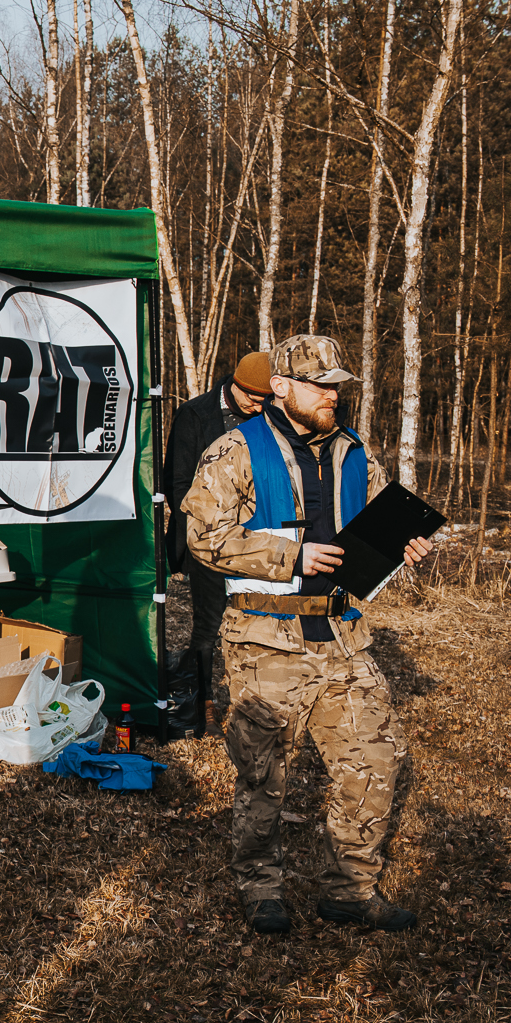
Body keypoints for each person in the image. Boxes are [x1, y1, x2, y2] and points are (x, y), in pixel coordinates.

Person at [180, 334, 436, 936]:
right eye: (320, 386)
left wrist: (405, 545)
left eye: (337, 386)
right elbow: (202, 540)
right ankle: (260, 887)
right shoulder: (233, 452)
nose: (332, 397)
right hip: (265, 639)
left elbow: (376, 521)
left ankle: (350, 890)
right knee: (265, 773)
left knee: (374, 762)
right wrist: (291, 552)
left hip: (344, 637)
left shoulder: (355, 453)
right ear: (283, 387)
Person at [166, 352, 272, 668]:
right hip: (209, 538)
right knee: (207, 627)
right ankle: (203, 704)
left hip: (257, 537)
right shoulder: (194, 415)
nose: (259, 407)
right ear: (235, 385)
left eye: (266, 400)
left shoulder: (267, 418)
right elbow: (177, 483)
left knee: (254, 621)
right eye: (254, 399)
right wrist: (213, 527)